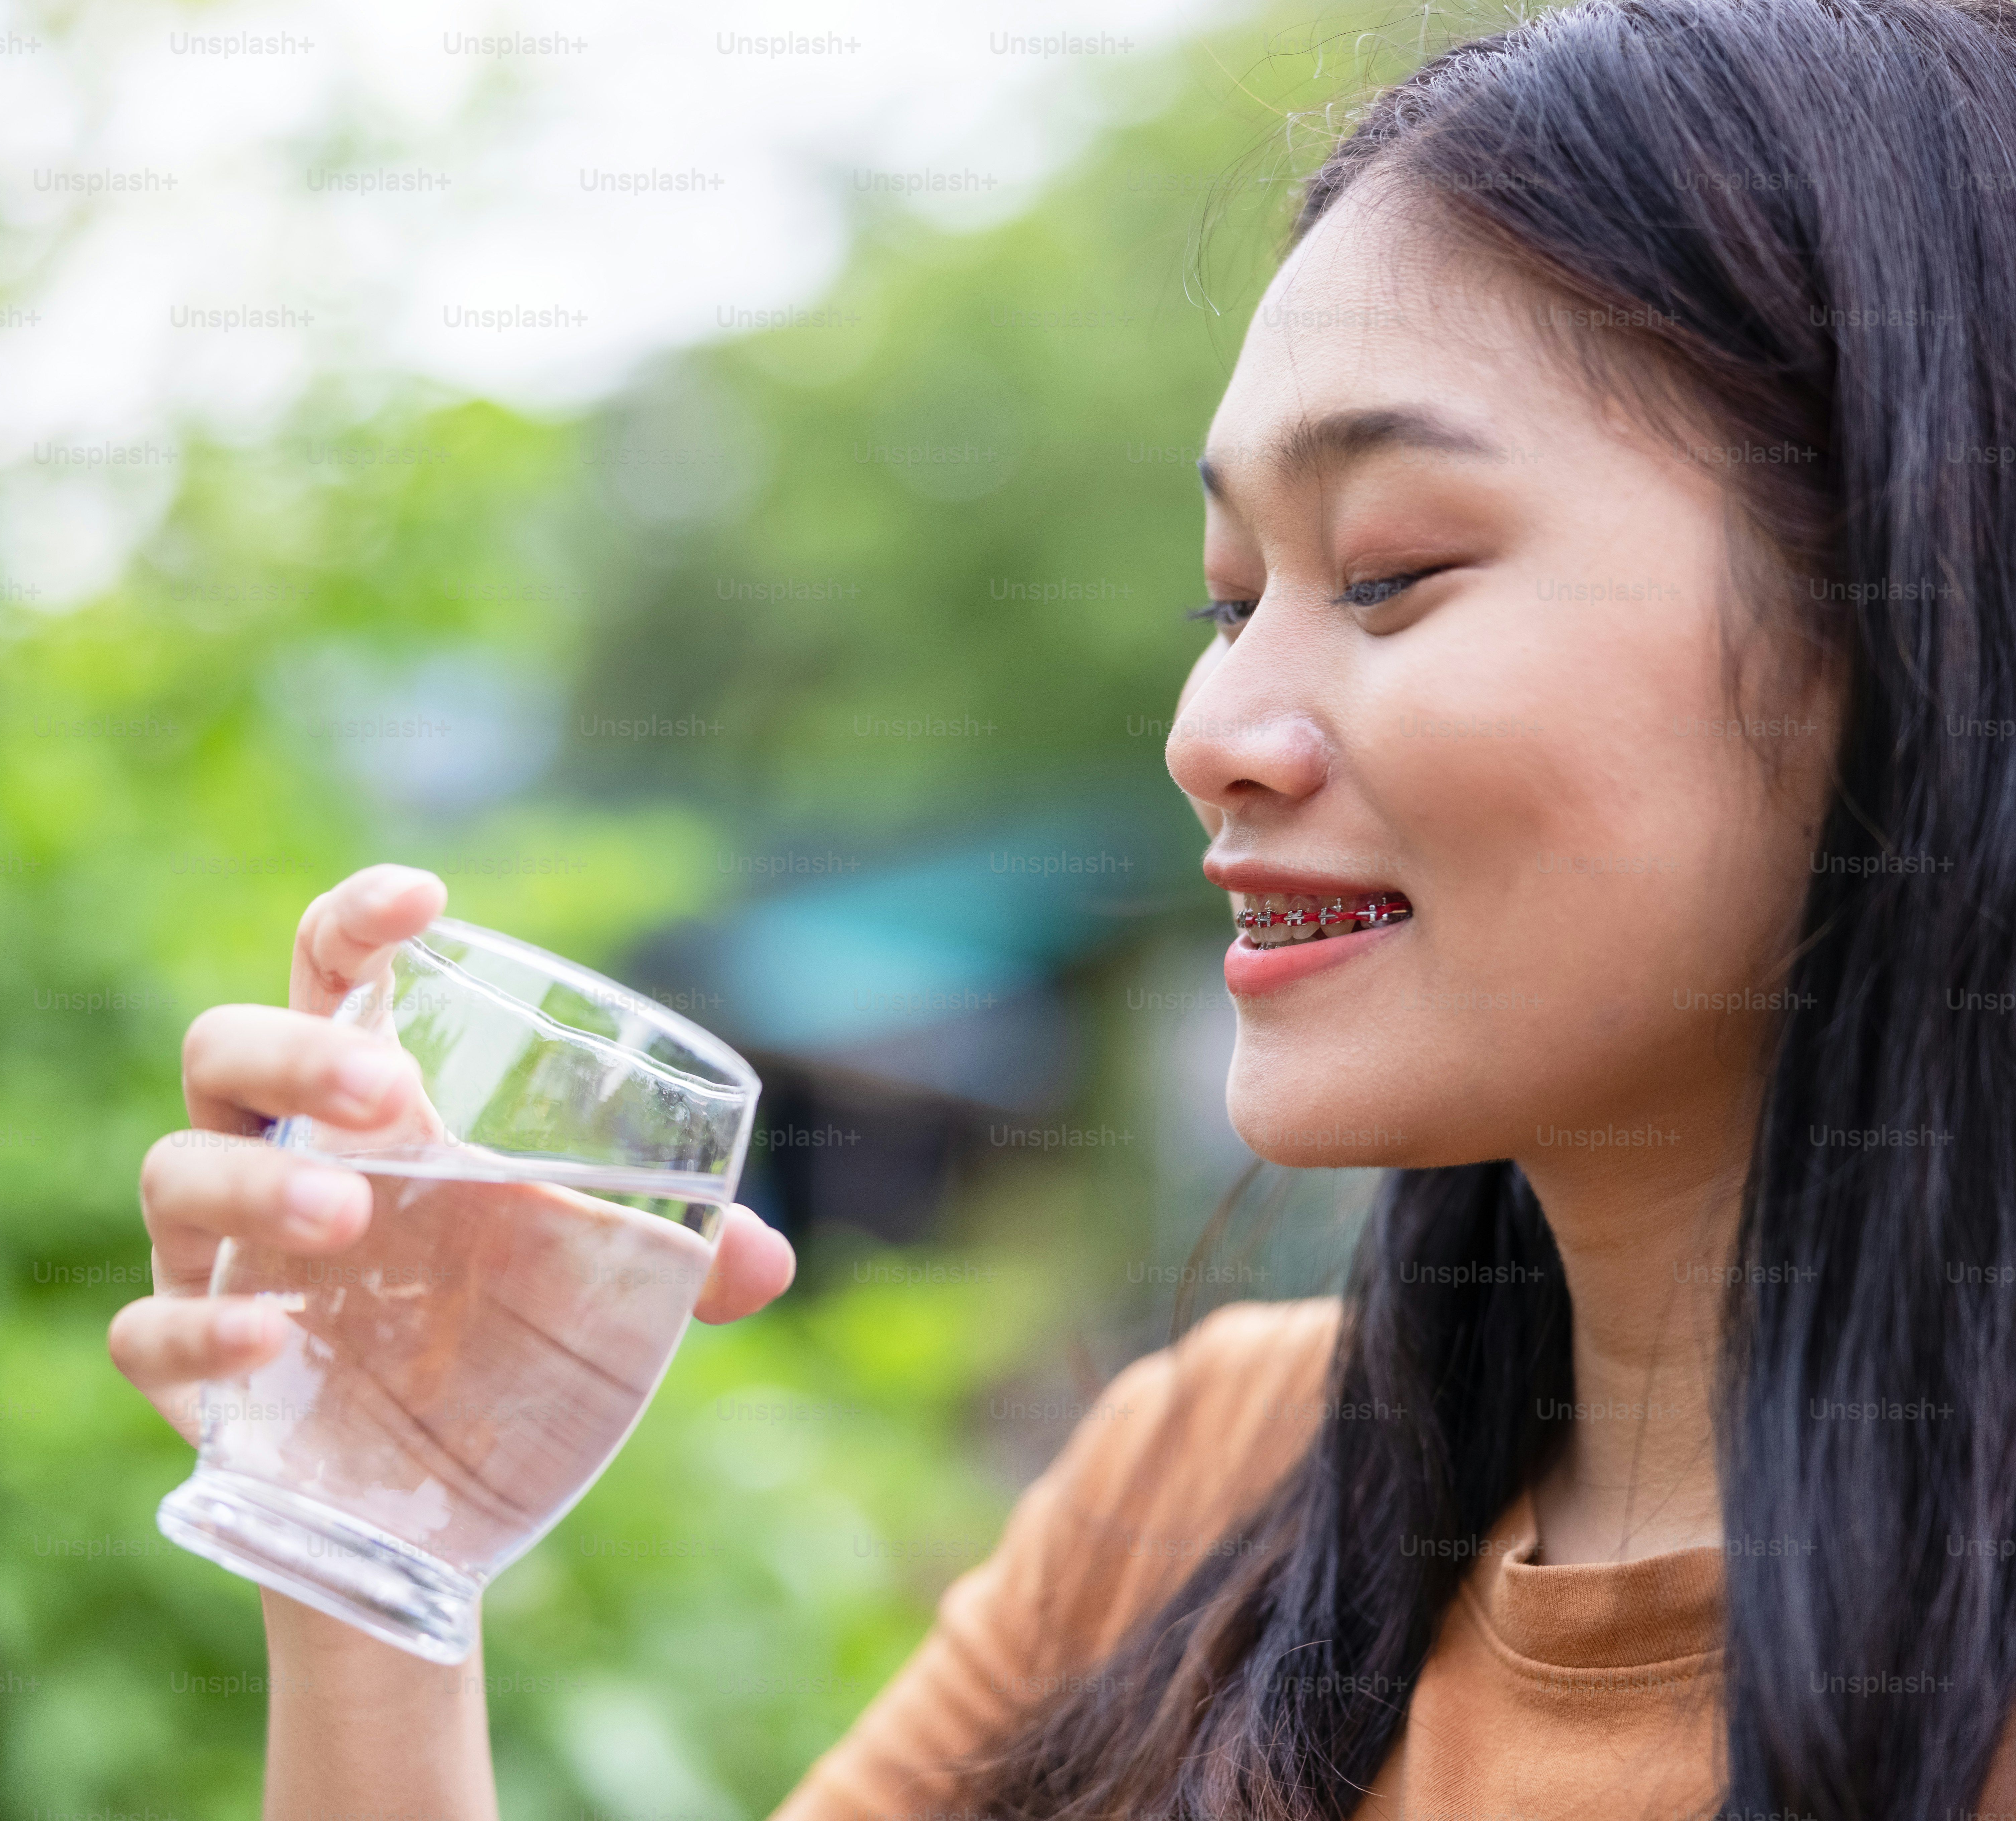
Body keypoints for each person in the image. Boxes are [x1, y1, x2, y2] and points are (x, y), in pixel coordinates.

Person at [107, 0, 2016, 1812]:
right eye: (1227, 597)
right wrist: (374, 1523)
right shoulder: (1197, 1500)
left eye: (1393, 572)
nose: (1213, 730)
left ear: (1915, 603)